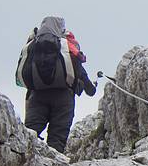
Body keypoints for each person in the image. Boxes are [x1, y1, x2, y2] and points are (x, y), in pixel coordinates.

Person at [16, 16, 96, 153]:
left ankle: (21, 163)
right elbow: (83, 77)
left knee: (29, 133)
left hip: (36, 96)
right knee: (57, 138)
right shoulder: (66, 47)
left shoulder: (35, 46)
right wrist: (90, 88)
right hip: (63, 98)